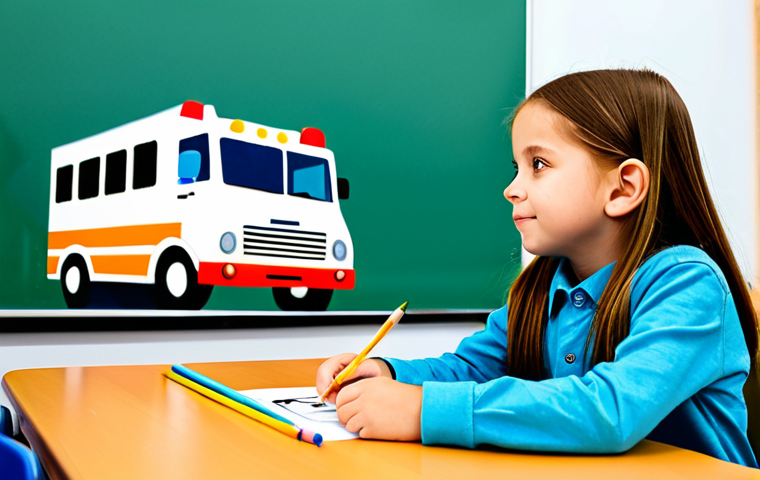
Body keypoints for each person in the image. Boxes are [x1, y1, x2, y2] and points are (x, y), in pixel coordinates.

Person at [316, 69, 759, 468]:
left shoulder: (687, 284)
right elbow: (473, 367)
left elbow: (610, 411)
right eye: (517, 167)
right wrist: (390, 374)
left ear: (624, 187)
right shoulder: (541, 286)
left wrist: (421, 410)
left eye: (538, 165)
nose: (512, 189)